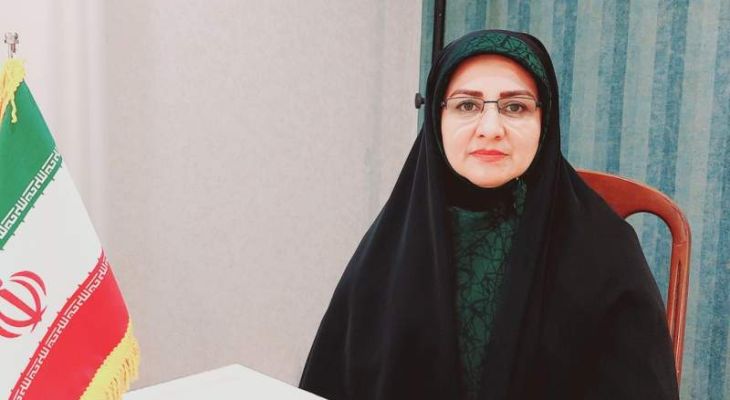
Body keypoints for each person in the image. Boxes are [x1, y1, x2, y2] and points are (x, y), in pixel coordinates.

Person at [299, 29, 679, 400]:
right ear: (436, 118)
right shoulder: (391, 247)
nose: (491, 128)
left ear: (545, 120)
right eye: (467, 105)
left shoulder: (606, 252)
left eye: (515, 107)